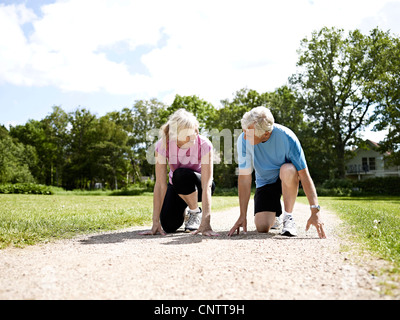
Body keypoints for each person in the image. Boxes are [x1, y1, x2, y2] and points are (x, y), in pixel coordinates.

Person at [228, 106, 326, 239]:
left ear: (266, 134)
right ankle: (277, 216)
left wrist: (315, 211)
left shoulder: (287, 138)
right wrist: (242, 215)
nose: (244, 137)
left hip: (287, 177)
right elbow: (245, 177)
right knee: (262, 227)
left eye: (249, 133)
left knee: (288, 169)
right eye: (244, 131)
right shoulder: (243, 141)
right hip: (266, 181)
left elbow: (304, 174)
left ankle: (288, 217)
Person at [140, 108, 219, 237]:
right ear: (176, 136)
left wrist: (206, 222)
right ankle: (185, 208)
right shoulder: (162, 145)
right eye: (187, 135)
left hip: (199, 186)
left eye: (194, 131)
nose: (192, 136)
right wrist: (155, 222)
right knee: (169, 226)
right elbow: (160, 184)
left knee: (181, 174)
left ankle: (194, 212)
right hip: (176, 186)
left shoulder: (204, 144)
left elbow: (207, 184)